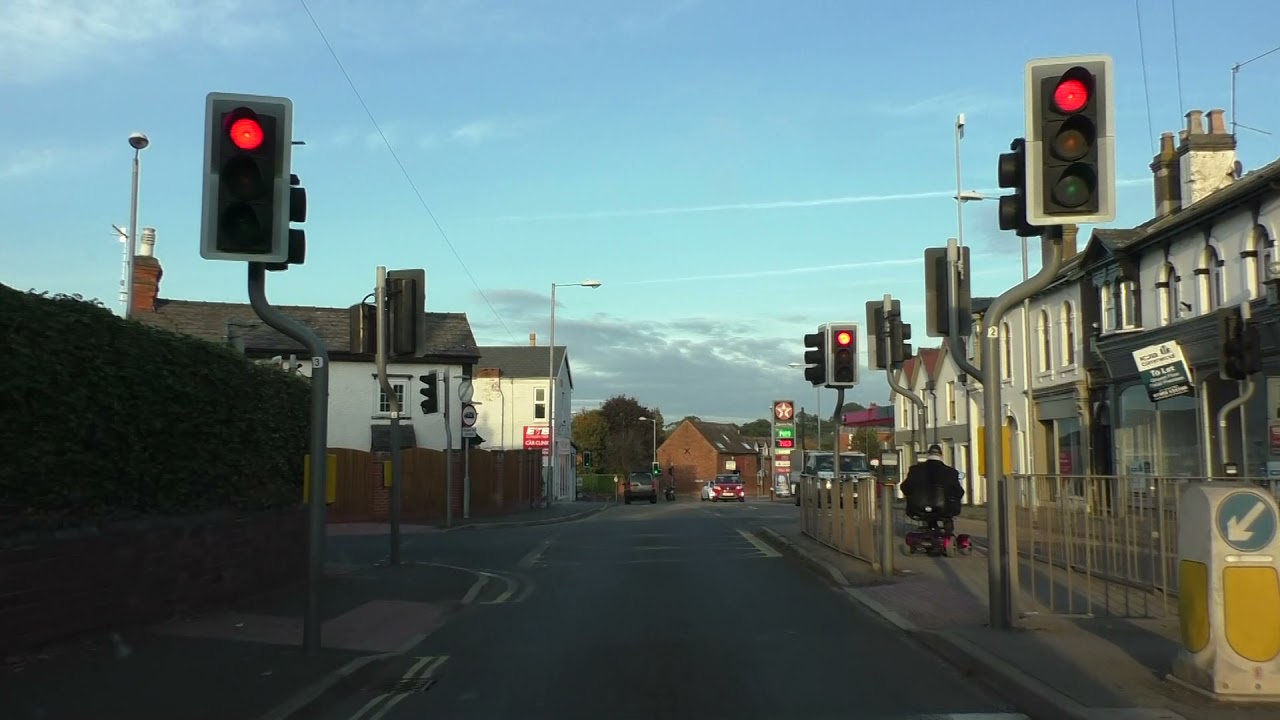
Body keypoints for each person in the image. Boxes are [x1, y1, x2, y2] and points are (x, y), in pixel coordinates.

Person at [900, 444, 964, 534]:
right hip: (944, 510)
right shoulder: (950, 472)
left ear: (928, 454)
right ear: (941, 455)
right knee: (946, 515)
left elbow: (905, 487)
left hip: (918, 509)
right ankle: (948, 527)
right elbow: (959, 492)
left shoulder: (915, 470)